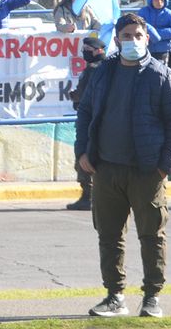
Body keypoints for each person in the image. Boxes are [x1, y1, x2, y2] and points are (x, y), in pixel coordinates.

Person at [75, 13, 171, 318]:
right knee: (109, 235)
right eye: (127, 36)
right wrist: (83, 153)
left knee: (152, 235)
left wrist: (164, 166)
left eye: (138, 35)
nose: (133, 41)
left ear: (147, 39)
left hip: (146, 171)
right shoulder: (103, 73)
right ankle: (115, 296)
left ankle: (152, 297)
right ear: (117, 40)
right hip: (106, 169)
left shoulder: (161, 75)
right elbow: (85, 112)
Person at [65, 36, 107, 211]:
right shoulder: (106, 67)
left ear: (99, 51)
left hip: (89, 119)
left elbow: (85, 96)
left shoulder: (93, 69)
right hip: (101, 119)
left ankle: (88, 197)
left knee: (84, 156)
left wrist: (74, 96)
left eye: (88, 50)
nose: (84, 53)